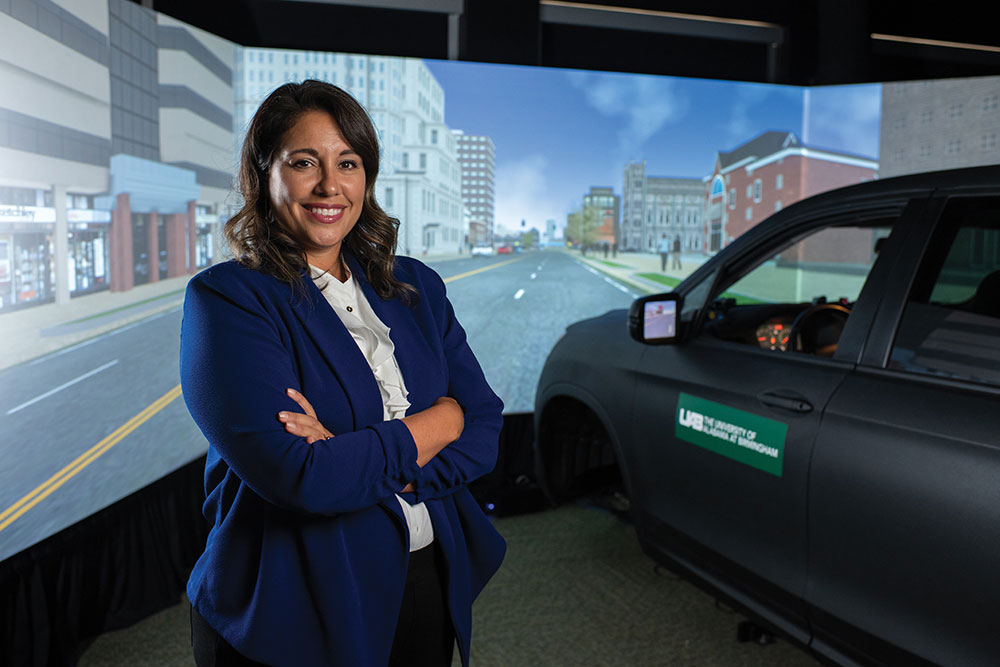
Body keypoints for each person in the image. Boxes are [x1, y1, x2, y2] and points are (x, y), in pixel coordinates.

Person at [180, 80, 505, 667]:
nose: (330, 185)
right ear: (264, 172)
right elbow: (303, 477)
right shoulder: (228, 300)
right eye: (304, 162)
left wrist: (365, 460)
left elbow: (484, 426)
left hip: (423, 577)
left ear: (366, 178)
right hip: (290, 605)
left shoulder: (417, 288)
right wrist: (441, 420)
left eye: (347, 163)